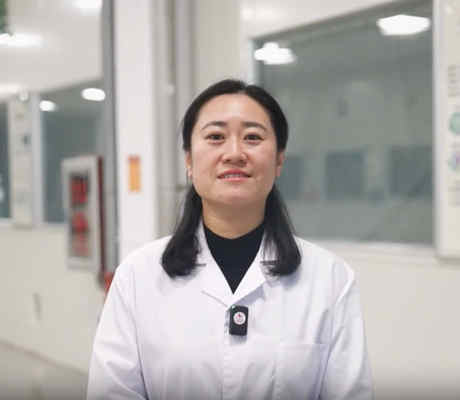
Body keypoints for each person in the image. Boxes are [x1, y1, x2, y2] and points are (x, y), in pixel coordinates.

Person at [87, 79, 373, 400]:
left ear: (279, 160)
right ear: (189, 160)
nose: (234, 153)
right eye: (215, 137)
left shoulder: (330, 279)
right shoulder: (138, 276)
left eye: (252, 137)